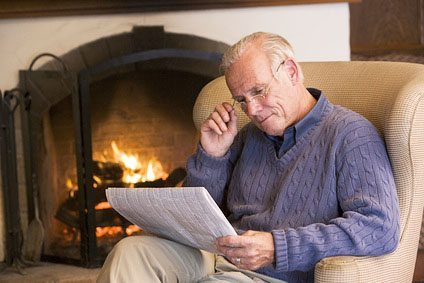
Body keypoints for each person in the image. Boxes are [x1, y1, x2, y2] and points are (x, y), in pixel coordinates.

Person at [97, 32, 400, 283]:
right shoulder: (248, 136)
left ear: (291, 72)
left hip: (273, 274)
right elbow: (202, 212)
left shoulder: (351, 134)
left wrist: (276, 248)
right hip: (218, 255)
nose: (252, 110)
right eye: (242, 99)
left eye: (259, 91)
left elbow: (379, 227)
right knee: (130, 253)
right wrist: (213, 155)